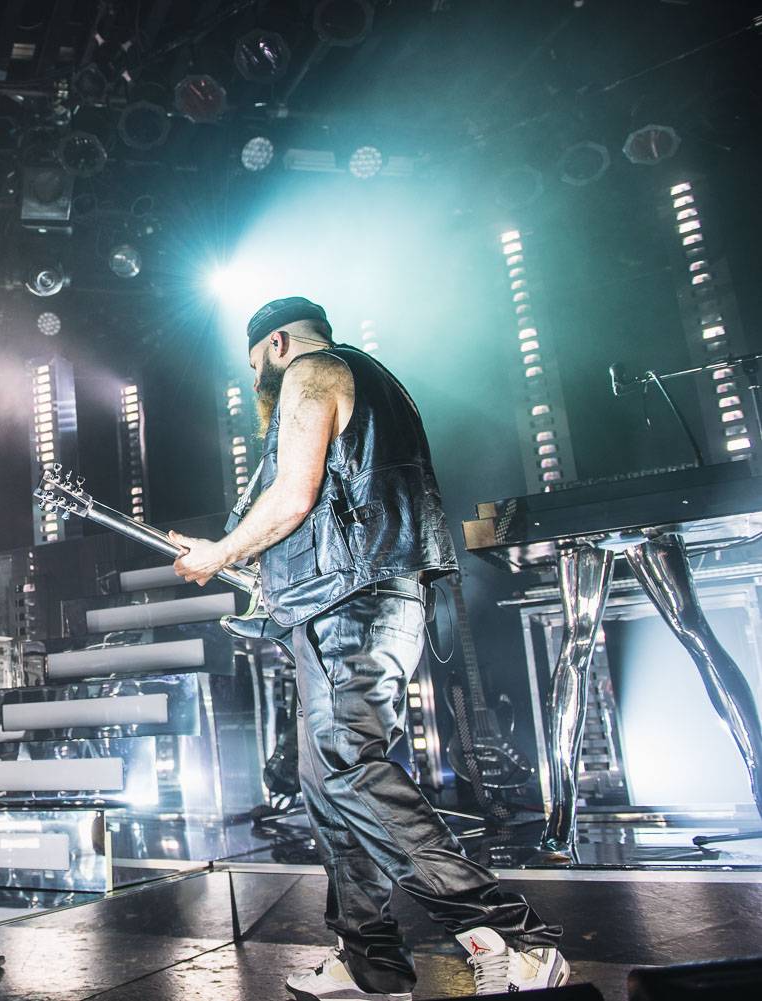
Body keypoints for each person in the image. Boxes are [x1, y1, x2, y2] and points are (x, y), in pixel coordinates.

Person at [169, 297, 569, 999]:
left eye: (256, 363)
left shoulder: (312, 369)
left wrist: (220, 552)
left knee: (349, 765)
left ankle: (508, 934)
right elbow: (324, 508)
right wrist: (235, 552)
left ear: (279, 343)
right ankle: (371, 960)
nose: (256, 379)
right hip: (361, 598)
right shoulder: (381, 385)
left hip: (345, 605)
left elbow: (295, 495)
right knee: (328, 785)